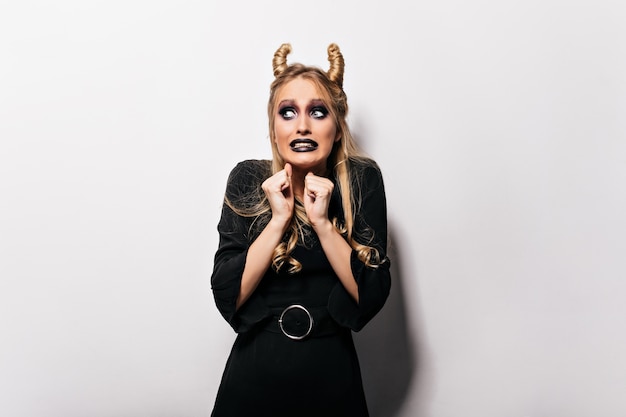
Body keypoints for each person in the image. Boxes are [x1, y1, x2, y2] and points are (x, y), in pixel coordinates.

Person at [210, 42, 391, 417]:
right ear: (273, 128)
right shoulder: (248, 179)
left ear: (337, 128)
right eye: (288, 112)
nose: (302, 125)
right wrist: (278, 220)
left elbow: (370, 296)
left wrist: (323, 223)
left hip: (331, 376)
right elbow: (228, 296)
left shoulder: (361, 181)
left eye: (318, 112)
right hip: (254, 377)